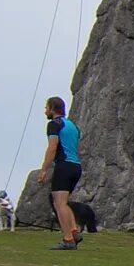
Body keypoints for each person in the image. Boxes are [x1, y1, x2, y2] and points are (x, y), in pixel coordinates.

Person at [42, 97, 83, 250]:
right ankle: (74, 231)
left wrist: (44, 170)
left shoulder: (54, 124)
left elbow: (52, 147)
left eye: (46, 107)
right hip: (76, 166)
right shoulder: (73, 125)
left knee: (59, 204)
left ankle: (68, 240)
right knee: (64, 203)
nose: (45, 111)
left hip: (64, 165)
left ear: (52, 108)